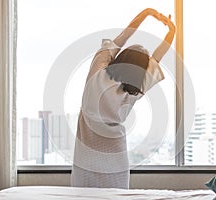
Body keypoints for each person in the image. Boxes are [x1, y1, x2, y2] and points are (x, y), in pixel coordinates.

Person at [71, 8, 176, 189]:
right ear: (142, 69)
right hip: (115, 156)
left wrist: (146, 14)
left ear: (120, 58)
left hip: (86, 156)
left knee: (83, 194)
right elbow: (158, 57)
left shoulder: (98, 71)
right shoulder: (137, 87)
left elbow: (122, 37)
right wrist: (171, 32)